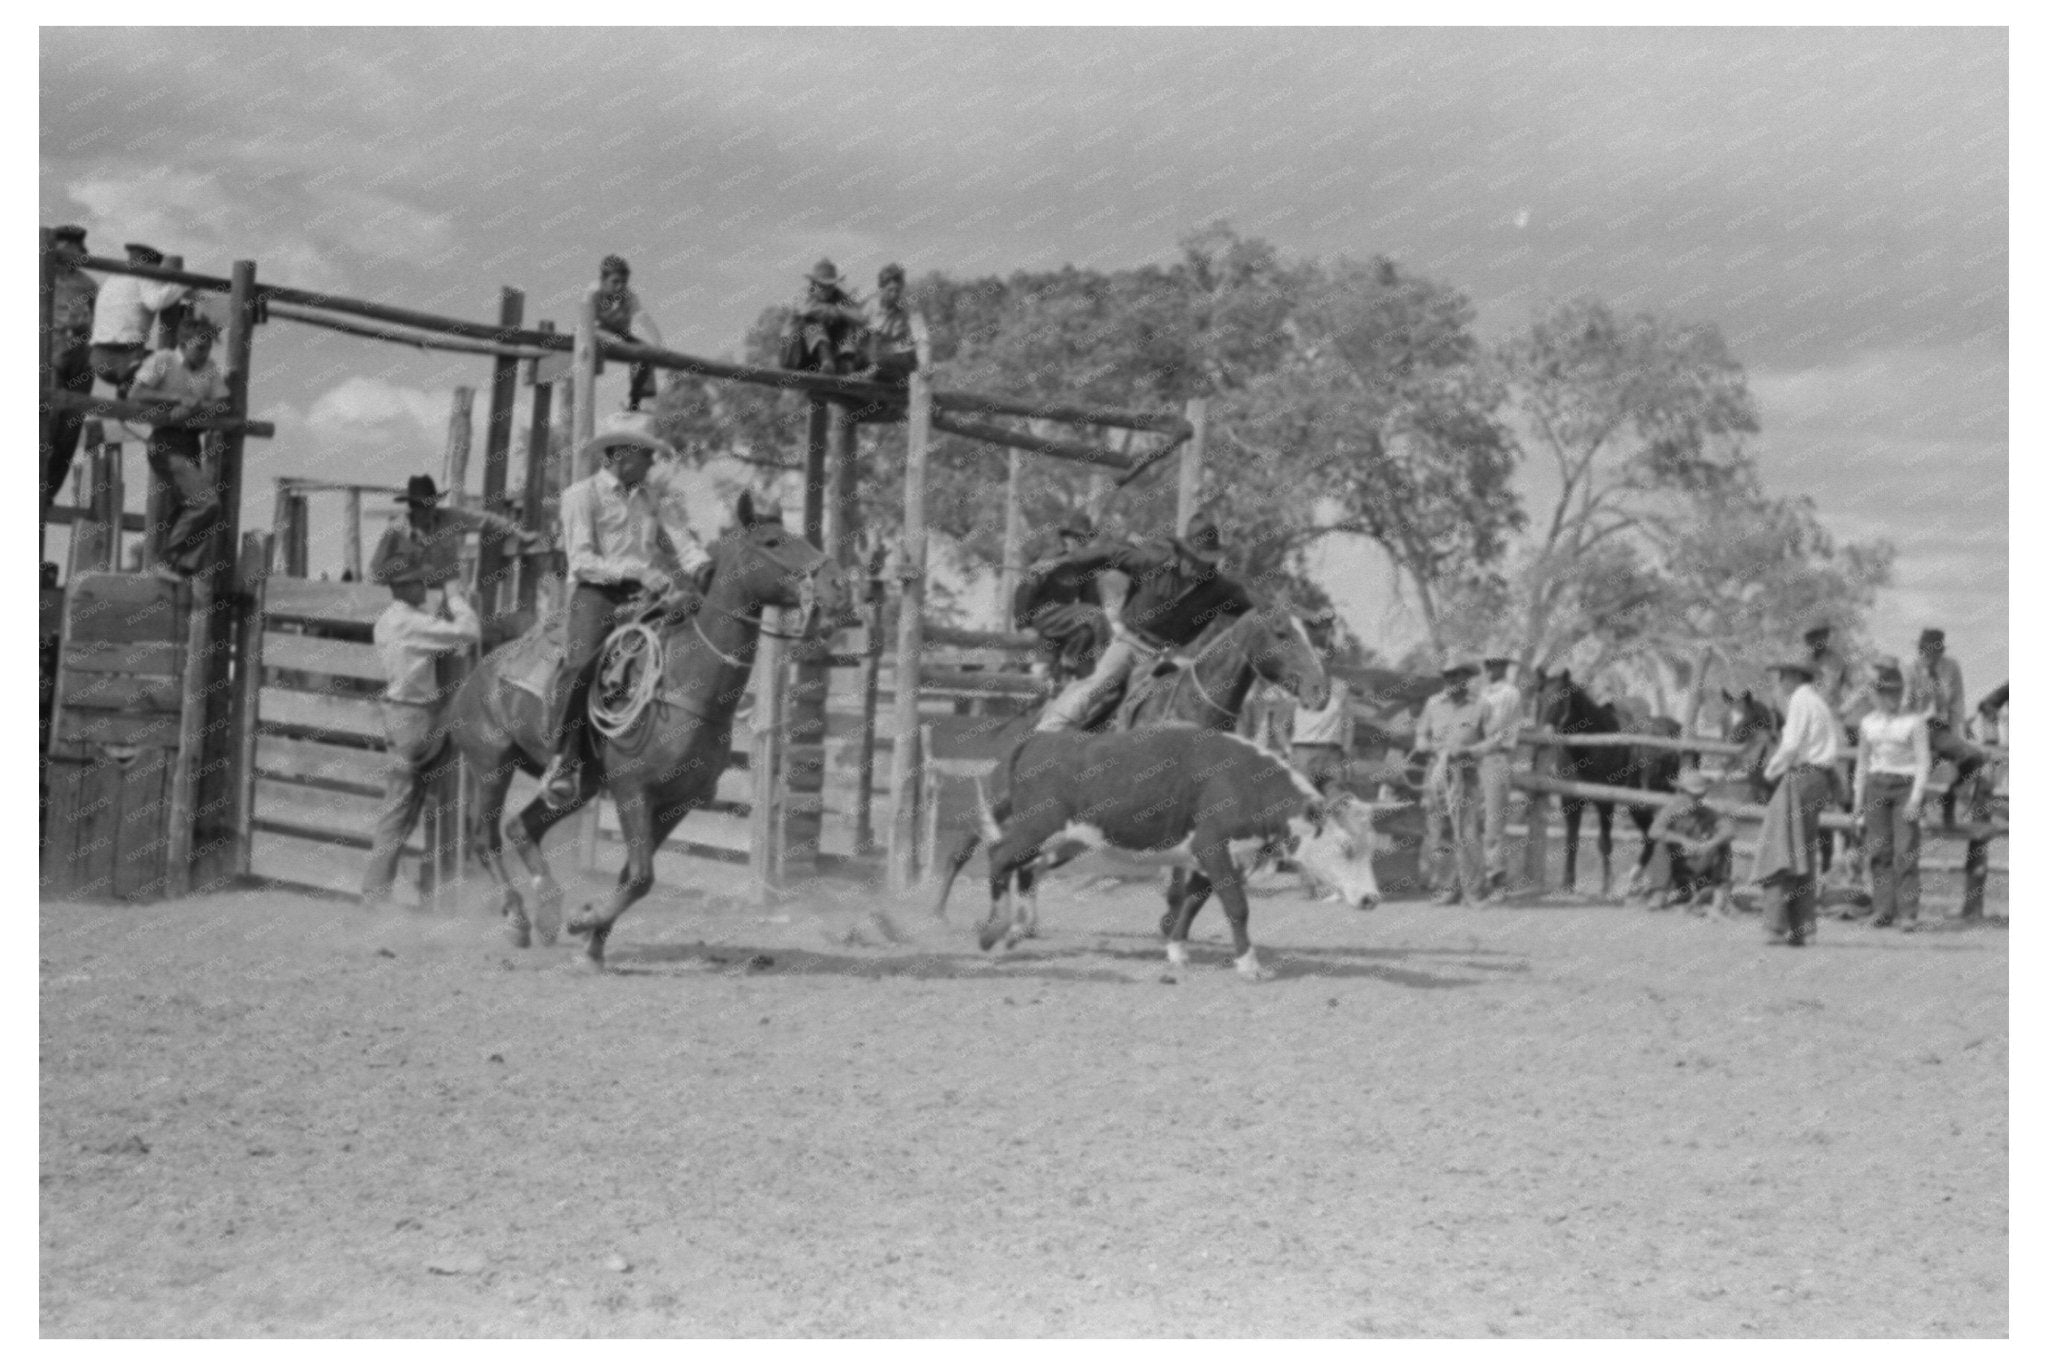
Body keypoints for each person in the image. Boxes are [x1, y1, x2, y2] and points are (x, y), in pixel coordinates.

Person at [538, 416, 711, 806]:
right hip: (597, 592)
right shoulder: (581, 495)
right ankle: (564, 759)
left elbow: (682, 541)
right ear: (620, 456)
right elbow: (580, 560)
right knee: (581, 664)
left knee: (685, 650)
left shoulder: (654, 498)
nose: (652, 462)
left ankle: (665, 753)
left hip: (644, 594)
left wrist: (701, 566)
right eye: (646, 454)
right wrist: (637, 570)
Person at [1032, 513, 1256, 733]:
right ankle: (1046, 732)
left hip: (1169, 658)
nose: (1198, 568)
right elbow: (1112, 552)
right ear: (1182, 554)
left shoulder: (1220, 590)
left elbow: (1258, 609)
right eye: (1194, 560)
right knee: (1098, 686)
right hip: (1130, 645)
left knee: (1198, 695)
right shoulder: (1153, 561)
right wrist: (1063, 562)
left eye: (1205, 563)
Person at [360, 577, 482, 909]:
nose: (425, 590)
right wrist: (456, 599)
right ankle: (378, 893)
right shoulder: (412, 622)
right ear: (410, 588)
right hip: (416, 719)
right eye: (420, 584)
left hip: (399, 716)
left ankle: (382, 891)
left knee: (403, 807)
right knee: (405, 807)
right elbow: (469, 631)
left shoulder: (388, 620)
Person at [126, 315, 232, 580]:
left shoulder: (209, 368)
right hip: (165, 440)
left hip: (190, 442)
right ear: (184, 343)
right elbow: (136, 393)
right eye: (200, 347)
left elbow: (222, 404)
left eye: (208, 348)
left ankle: (176, 568)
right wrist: (177, 399)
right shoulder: (163, 360)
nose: (204, 353)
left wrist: (194, 405)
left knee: (189, 506)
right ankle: (169, 561)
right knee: (206, 503)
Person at [1754, 658, 1843, 946]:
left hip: (1802, 777)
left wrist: (1770, 771)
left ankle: (1777, 926)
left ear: (1793, 676)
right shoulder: (1816, 702)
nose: (1780, 682)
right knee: (1801, 851)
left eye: (1782, 676)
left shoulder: (1800, 702)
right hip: (1817, 779)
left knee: (1781, 848)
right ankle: (1803, 926)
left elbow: (1791, 744)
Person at [369, 475, 540, 606]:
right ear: (412, 508)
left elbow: (488, 519)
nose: (426, 512)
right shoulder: (396, 531)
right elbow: (376, 571)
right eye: (420, 507)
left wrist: (521, 534)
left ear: (434, 505)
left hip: (447, 597)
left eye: (430, 505)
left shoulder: (449, 518)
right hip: (411, 600)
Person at [1853, 657, 1932, 930]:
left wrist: (1915, 799)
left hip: (1904, 786)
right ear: (1875, 694)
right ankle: (1883, 909)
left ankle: (1908, 913)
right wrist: (1858, 801)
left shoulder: (1914, 722)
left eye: (1896, 692)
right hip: (1876, 785)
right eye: (1885, 693)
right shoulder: (1868, 723)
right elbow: (1862, 763)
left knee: (1905, 851)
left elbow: (1923, 761)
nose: (1891, 698)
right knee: (1878, 850)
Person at [1415, 661, 1487, 905]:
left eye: (1458, 675)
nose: (1453, 680)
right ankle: (1448, 888)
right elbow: (1420, 736)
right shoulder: (1433, 704)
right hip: (1436, 774)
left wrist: (1468, 750)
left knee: (1467, 832)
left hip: (1465, 774)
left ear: (1468, 678)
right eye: (1448, 676)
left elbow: (1493, 740)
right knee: (1441, 832)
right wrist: (1426, 745)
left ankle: (1473, 891)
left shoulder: (1480, 705)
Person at [1012, 511, 1113, 685]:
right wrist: (1023, 625)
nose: (1083, 544)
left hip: (1065, 620)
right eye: (1078, 539)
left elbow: (1092, 603)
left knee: (1085, 632)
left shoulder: (1084, 567)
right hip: (1043, 616)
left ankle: (1068, 667)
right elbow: (1025, 589)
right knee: (1092, 615)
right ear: (1067, 539)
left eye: (1085, 541)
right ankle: (1107, 667)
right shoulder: (1050, 559)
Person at [1903, 627, 1985, 826]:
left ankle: (1951, 796)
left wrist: (1959, 736)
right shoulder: (1910, 667)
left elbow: (1956, 704)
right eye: (1925, 650)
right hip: (1915, 726)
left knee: (1973, 757)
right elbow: (1904, 705)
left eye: (1935, 650)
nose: (1929, 654)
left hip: (1940, 727)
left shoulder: (1951, 667)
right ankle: (1916, 808)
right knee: (1920, 764)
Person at [44, 225, 99, 512]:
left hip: (79, 351)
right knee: (46, 422)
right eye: (67, 247)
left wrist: (84, 330)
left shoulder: (88, 283)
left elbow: (97, 321)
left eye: (76, 249)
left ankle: (49, 491)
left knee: (70, 428)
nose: (73, 253)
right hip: (46, 352)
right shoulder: (41, 273)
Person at [88, 242, 189, 398]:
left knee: (143, 376)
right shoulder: (144, 273)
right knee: (170, 368)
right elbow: (156, 302)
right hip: (127, 355)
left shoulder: (113, 279)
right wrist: (181, 285)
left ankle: (122, 408)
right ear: (154, 266)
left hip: (99, 358)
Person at [1644, 768, 1736, 915]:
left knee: (1724, 845)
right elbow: (1654, 831)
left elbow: (1729, 831)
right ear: (1682, 792)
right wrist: (1682, 840)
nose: (1695, 799)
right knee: (1660, 845)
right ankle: (1659, 892)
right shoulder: (1671, 810)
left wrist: (1709, 845)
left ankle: (1721, 890)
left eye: (1698, 796)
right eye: (1692, 795)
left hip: (1700, 861)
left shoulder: (1708, 813)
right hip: (1677, 863)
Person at [1473, 652, 1523, 895]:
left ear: (1505, 667)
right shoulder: (1482, 694)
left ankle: (1497, 881)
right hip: (1474, 760)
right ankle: (1477, 878)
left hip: (1495, 757)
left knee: (1494, 823)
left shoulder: (1509, 694)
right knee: (1473, 822)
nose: (1492, 669)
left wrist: (1474, 744)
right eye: (1488, 665)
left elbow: (1498, 729)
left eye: (1497, 665)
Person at [589, 255, 664, 411]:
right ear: (603, 280)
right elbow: (585, 324)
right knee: (618, 342)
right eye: (615, 282)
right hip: (595, 331)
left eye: (624, 282)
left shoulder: (628, 295)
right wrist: (608, 338)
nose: (620, 287)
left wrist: (657, 341)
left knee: (646, 352)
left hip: (620, 333)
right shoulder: (594, 293)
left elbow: (642, 316)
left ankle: (636, 402)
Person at [782, 259, 867, 375]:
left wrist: (840, 311)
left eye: (830, 286)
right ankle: (826, 360)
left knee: (846, 324)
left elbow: (861, 318)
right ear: (814, 284)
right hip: (794, 353)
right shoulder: (804, 295)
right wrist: (834, 310)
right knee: (812, 320)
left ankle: (845, 362)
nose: (827, 290)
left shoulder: (840, 296)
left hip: (822, 355)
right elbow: (806, 310)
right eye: (823, 286)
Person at [861, 263, 919, 385]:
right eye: (890, 290)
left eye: (897, 290)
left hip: (892, 360)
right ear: (882, 288)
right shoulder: (871, 306)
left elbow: (908, 343)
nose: (894, 294)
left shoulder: (903, 312)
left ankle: (874, 372)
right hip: (871, 355)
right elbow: (861, 330)